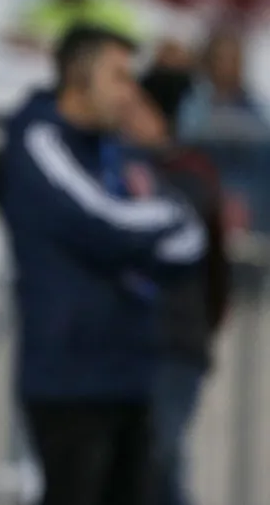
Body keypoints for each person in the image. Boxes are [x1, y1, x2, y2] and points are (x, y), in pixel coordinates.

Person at [0, 24, 207, 505]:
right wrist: (168, 221)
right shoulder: (40, 138)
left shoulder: (107, 151)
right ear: (78, 76)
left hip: (129, 371)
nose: (129, 93)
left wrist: (159, 227)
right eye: (118, 77)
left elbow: (187, 245)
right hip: (71, 380)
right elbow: (106, 222)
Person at [122, 71, 231, 505]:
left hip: (175, 341)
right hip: (135, 341)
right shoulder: (128, 166)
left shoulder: (189, 174)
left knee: (158, 457)